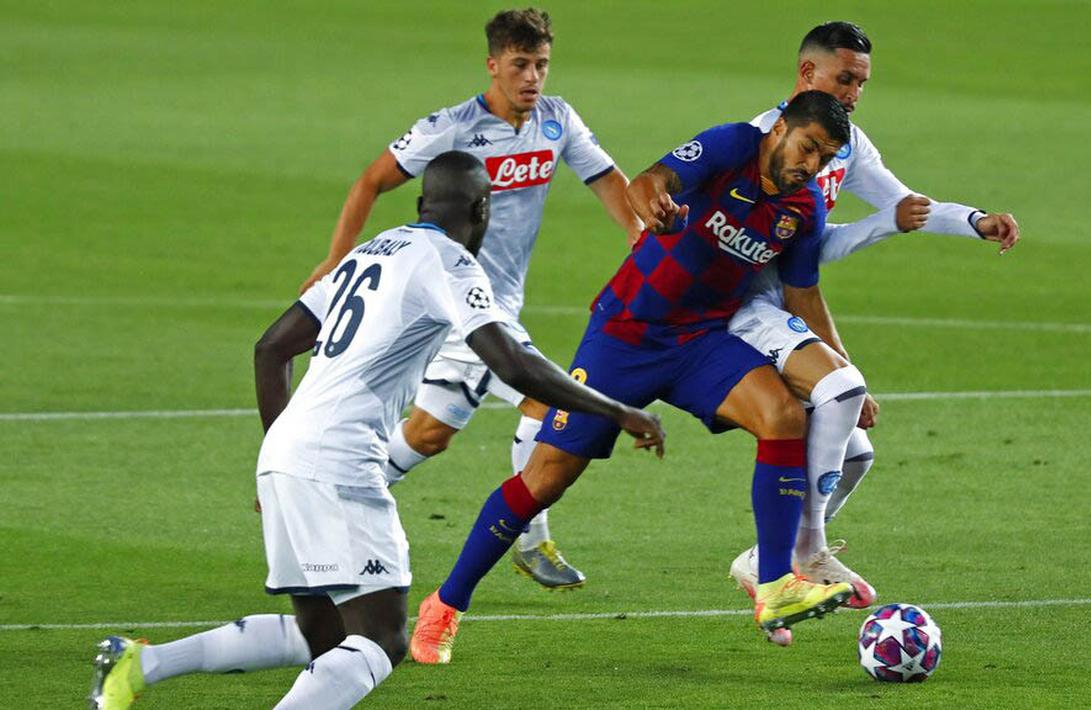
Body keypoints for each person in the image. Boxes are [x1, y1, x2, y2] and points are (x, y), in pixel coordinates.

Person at [87, 152, 664, 710]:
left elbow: (271, 349)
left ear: (422, 201)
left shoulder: (369, 251)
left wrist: (275, 453)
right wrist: (614, 409)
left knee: (322, 636)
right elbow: (510, 362)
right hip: (338, 464)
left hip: (286, 455)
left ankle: (140, 664)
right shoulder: (450, 262)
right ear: (484, 210)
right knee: (381, 641)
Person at [410, 91, 863, 665]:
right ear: (779, 130)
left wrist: (843, 365)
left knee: (783, 416)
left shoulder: (803, 209)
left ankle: (774, 585)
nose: (811, 165)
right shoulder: (731, 145)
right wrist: (657, 207)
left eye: (824, 158)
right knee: (545, 480)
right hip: (625, 335)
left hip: (699, 340)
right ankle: (445, 606)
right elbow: (645, 183)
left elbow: (803, 292)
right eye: (807, 147)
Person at [301, 8, 644, 589]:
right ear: (492, 65)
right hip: (461, 302)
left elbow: (608, 179)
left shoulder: (557, 122)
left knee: (429, 434)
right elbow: (371, 180)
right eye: (520, 65)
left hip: (492, 304)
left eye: (541, 65)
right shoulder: (451, 128)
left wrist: (641, 240)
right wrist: (335, 258)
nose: (532, 77)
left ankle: (325, 498)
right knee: (543, 405)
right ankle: (532, 541)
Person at [726, 21, 1021, 624]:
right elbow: (793, 254)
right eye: (845, 79)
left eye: (862, 81)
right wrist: (881, 226)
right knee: (843, 390)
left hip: (782, 302)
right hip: (737, 306)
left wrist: (974, 221)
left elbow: (899, 202)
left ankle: (768, 556)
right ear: (808, 74)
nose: (855, 92)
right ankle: (797, 554)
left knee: (855, 454)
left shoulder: (846, 142)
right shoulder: (768, 142)